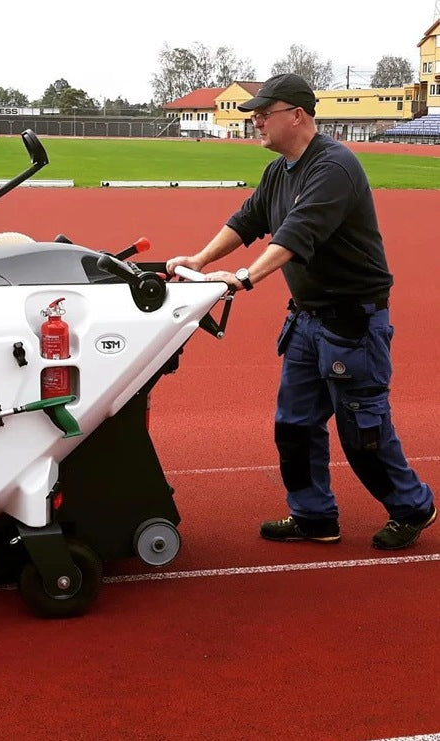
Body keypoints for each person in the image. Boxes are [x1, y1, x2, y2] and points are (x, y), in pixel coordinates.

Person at [166, 73, 435, 550]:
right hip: (308, 319)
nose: (255, 122)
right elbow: (248, 219)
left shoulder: (333, 167)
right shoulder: (280, 171)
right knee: (294, 426)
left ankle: (413, 507)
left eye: (263, 114)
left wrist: (244, 277)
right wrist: (200, 259)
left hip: (352, 322)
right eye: (254, 115)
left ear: (297, 115)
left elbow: (298, 233)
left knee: (362, 431)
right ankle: (314, 516)